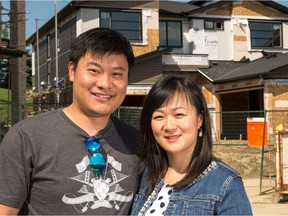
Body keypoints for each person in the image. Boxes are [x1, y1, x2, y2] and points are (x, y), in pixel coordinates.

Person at [0, 27, 139, 215]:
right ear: (72, 71)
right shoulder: (27, 137)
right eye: (94, 71)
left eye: (117, 74)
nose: (105, 84)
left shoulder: (137, 142)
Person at [131, 74, 252, 215]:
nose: (169, 126)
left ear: (199, 119)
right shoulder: (143, 176)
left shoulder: (226, 184)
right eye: (159, 116)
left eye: (179, 115)